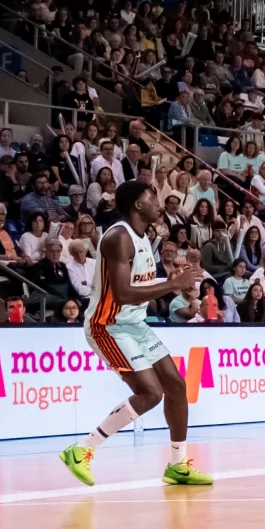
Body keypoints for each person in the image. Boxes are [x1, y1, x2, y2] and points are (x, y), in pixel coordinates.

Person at [58, 180, 214, 487]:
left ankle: (177, 466)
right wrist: (172, 284)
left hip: (135, 324)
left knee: (176, 385)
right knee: (150, 393)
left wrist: (176, 282)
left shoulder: (145, 238)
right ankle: (82, 450)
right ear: (136, 205)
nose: (158, 203)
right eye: (151, 198)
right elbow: (124, 293)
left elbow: (141, 288)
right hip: (107, 326)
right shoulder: (119, 237)